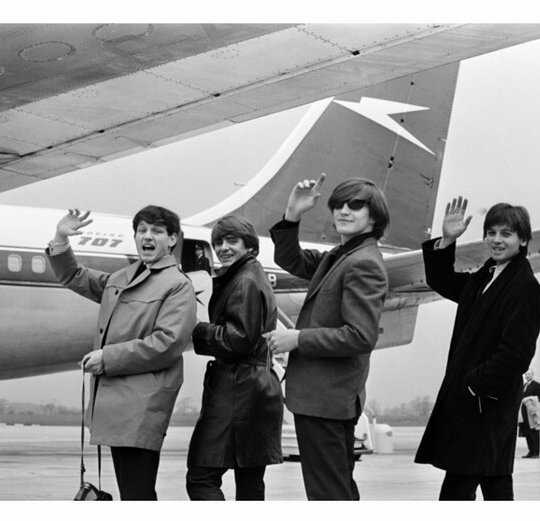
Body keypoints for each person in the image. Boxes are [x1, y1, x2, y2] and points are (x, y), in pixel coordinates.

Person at [46, 206, 198, 500]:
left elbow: (167, 343)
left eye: (156, 231)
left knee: (137, 493)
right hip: (118, 405)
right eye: (141, 230)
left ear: (173, 239)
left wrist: (108, 357)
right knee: (133, 493)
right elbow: (75, 276)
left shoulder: (178, 285)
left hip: (142, 405)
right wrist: (61, 240)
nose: (147, 236)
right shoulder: (122, 278)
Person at [263, 174, 389, 500]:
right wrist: (293, 215)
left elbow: (360, 336)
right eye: (339, 205)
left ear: (374, 216)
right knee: (337, 490)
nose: (344, 211)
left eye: (356, 205)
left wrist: (298, 339)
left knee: (328, 495)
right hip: (322, 399)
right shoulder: (343, 254)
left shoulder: (363, 263)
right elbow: (291, 260)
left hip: (327, 400)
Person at [414, 197, 540, 501]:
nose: (497, 240)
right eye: (492, 233)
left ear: (523, 240)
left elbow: (517, 355)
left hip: (485, 406)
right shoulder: (485, 278)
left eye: (506, 234)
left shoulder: (524, 287)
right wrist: (447, 240)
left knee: (457, 489)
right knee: (496, 485)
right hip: (479, 408)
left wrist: (474, 385)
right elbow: (441, 279)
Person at [186, 215, 284, 500]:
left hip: (238, 388)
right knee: (250, 482)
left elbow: (238, 339)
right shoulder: (251, 275)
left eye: (232, 241)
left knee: (201, 477)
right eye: (218, 242)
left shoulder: (244, 281)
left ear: (250, 246)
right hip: (256, 386)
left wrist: (198, 330)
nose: (223, 247)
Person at [519, 368, 540, 458]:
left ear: (532, 375)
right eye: (526, 374)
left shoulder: (536, 385)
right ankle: (531, 451)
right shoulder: (524, 386)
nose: (527, 376)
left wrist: (530, 399)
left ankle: (536, 452)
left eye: (529, 374)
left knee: (534, 431)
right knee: (527, 432)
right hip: (524, 412)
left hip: (532, 412)